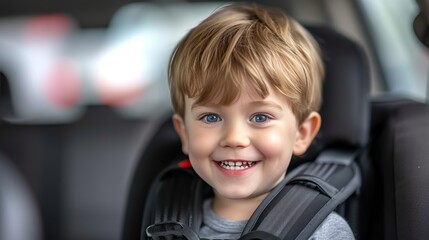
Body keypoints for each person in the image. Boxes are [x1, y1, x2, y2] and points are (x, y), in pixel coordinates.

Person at [167, 3, 354, 239]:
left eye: (260, 117)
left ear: (302, 134)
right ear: (184, 133)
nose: (234, 138)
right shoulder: (165, 224)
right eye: (211, 117)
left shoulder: (321, 232)